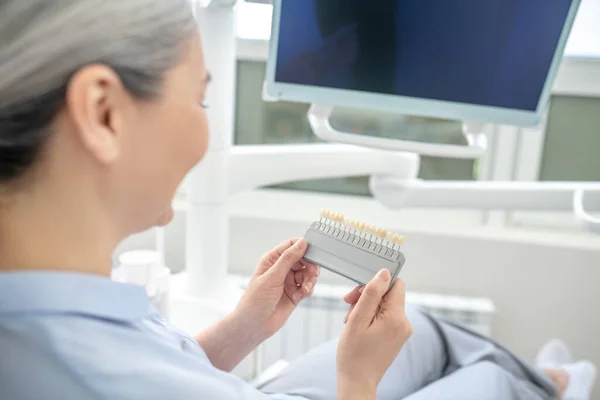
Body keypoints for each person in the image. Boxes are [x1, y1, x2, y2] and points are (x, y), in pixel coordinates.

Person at [0, 1, 596, 399]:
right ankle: (562, 380)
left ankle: (550, 377)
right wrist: (357, 379)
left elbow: (163, 370)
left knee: (434, 333)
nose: (207, 131)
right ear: (104, 113)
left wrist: (243, 328)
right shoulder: (78, 374)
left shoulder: (54, 313)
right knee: (486, 377)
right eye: (200, 99)